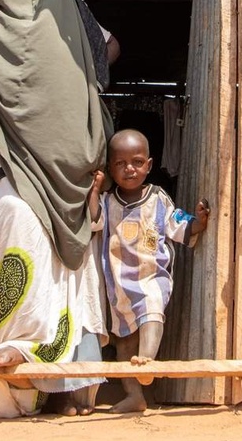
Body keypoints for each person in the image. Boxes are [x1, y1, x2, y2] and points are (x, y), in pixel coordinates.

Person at [0, 0, 118, 418]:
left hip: (69, 174)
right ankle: (23, 371)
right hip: (6, 161)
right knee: (22, 234)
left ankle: (69, 388)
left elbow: (109, 46)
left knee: (73, 275)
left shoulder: (71, 7)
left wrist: (82, 81)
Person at [89, 128, 211, 413]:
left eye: (137, 162)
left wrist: (199, 222)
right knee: (123, 344)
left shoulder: (158, 199)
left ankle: (147, 361)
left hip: (150, 277)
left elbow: (178, 224)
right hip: (119, 285)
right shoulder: (108, 201)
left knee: (152, 308)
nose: (129, 169)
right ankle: (134, 395)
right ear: (110, 169)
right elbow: (94, 222)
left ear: (149, 165)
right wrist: (95, 191)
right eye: (120, 164)